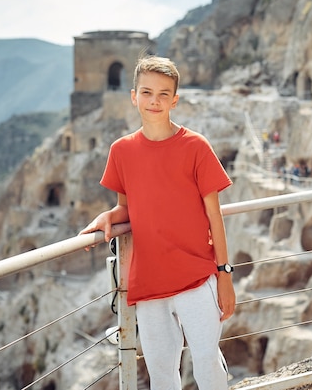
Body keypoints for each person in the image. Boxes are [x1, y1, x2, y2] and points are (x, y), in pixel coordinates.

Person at [79, 56, 235, 390]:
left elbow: (214, 215)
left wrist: (224, 274)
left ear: (174, 100)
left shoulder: (196, 146)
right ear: (134, 96)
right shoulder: (121, 151)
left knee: (207, 363)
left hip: (196, 276)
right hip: (149, 284)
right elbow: (127, 208)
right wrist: (108, 217)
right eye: (147, 92)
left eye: (164, 94)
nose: (155, 100)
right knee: (161, 374)